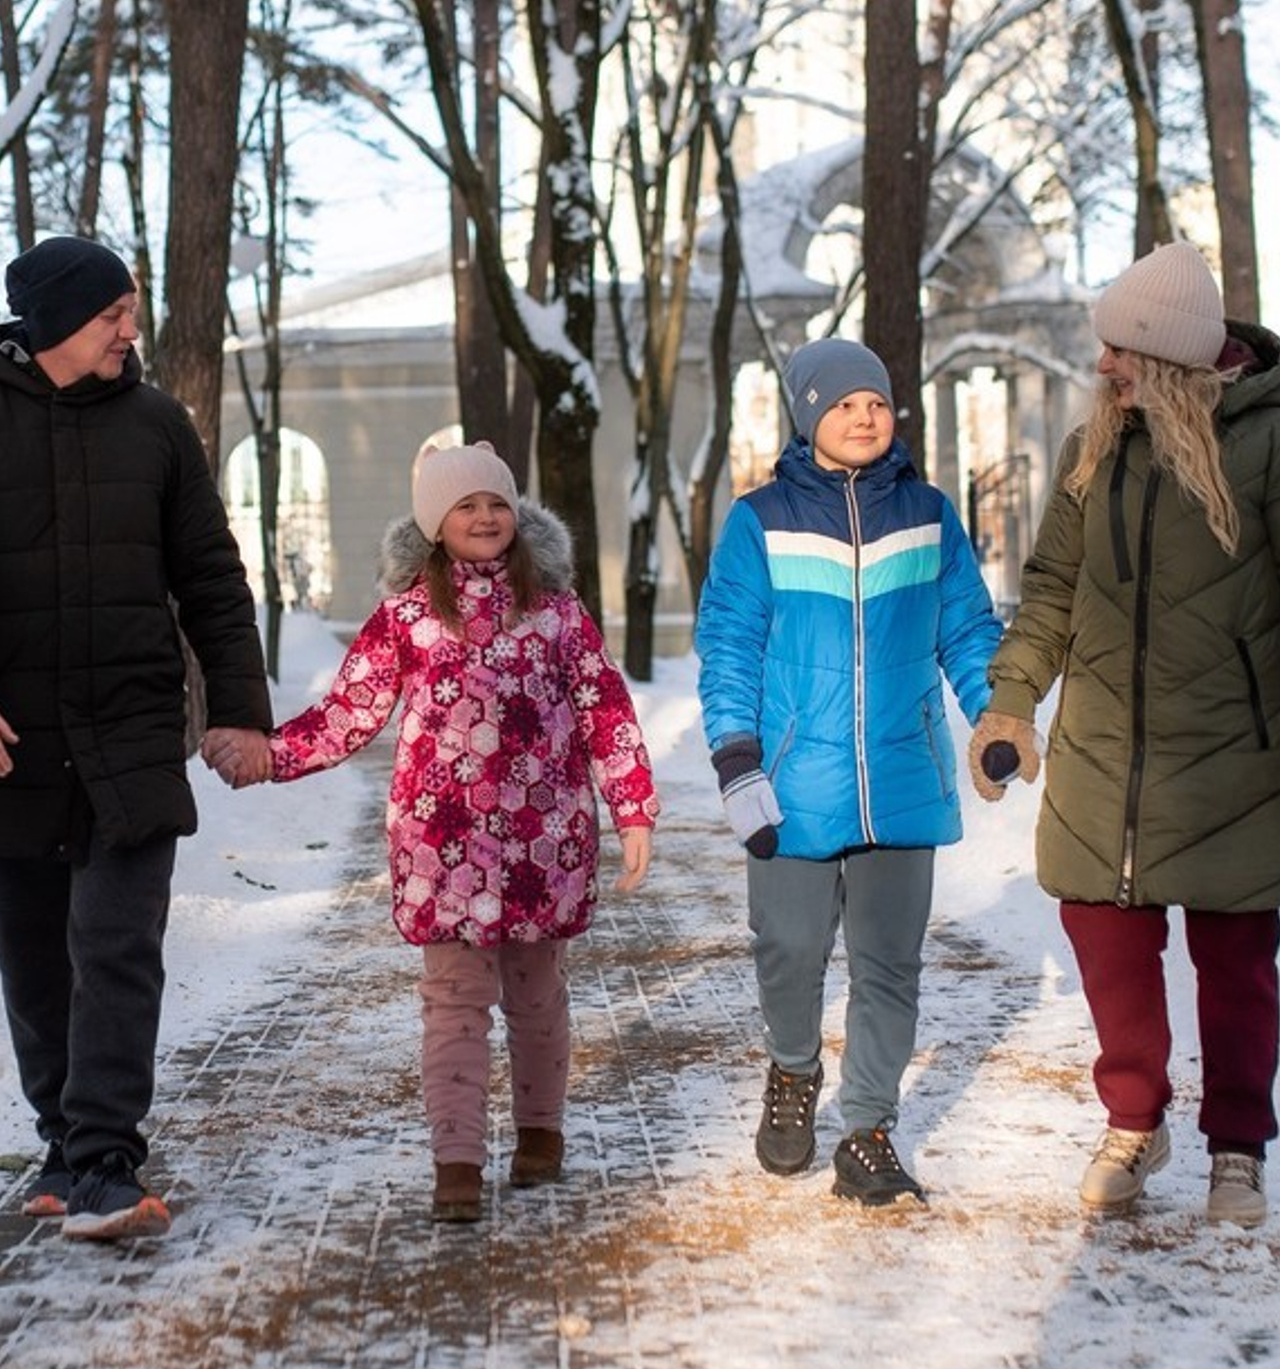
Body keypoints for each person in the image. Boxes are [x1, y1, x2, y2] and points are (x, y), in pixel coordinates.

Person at [205, 441, 658, 1224]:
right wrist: (271, 755)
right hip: (442, 848)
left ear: (516, 517)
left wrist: (634, 806)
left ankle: (540, 1132)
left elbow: (603, 708)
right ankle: (457, 1161)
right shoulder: (407, 616)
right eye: (465, 505)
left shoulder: (556, 611)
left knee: (537, 995)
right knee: (453, 1002)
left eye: (496, 503)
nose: (484, 516)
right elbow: (350, 713)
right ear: (434, 525)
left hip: (544, 844)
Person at [969, 241, 1280, 1229]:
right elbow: (1051, 586)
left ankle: (1234, 1146)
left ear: (1172, 358)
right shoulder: (1094, 448)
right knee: (1106, 945)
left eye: (1119, 351)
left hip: (1234, 750)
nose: (1101, 367)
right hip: (1106, 746)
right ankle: (1131, 1119)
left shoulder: (1267, 444)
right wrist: (1010, 700)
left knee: (1233, 963)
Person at [0, 235, 272, 1242]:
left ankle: (108, 1158)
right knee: (31, 960)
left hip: (129, 729)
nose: (129, 330)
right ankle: (64, 1146)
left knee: (116, 947)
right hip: (16, 746)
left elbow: (209, 575)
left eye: (131, 311)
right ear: (57, 320)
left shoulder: (158, 425)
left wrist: (238, 707)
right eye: (112, 313)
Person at [696, 340, 1002, 1206]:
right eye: (843, 404)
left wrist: (995, 715)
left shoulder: (930, 514)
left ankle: (866, 1129)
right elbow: (729, 646)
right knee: (789, 949)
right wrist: (736, 757)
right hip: (793, 782)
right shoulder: (762, 521)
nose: (864, 417)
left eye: (876, 401)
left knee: (888, 966)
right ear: (809, 416)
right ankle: (793, 1068)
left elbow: (967, 631)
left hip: (904, 778)